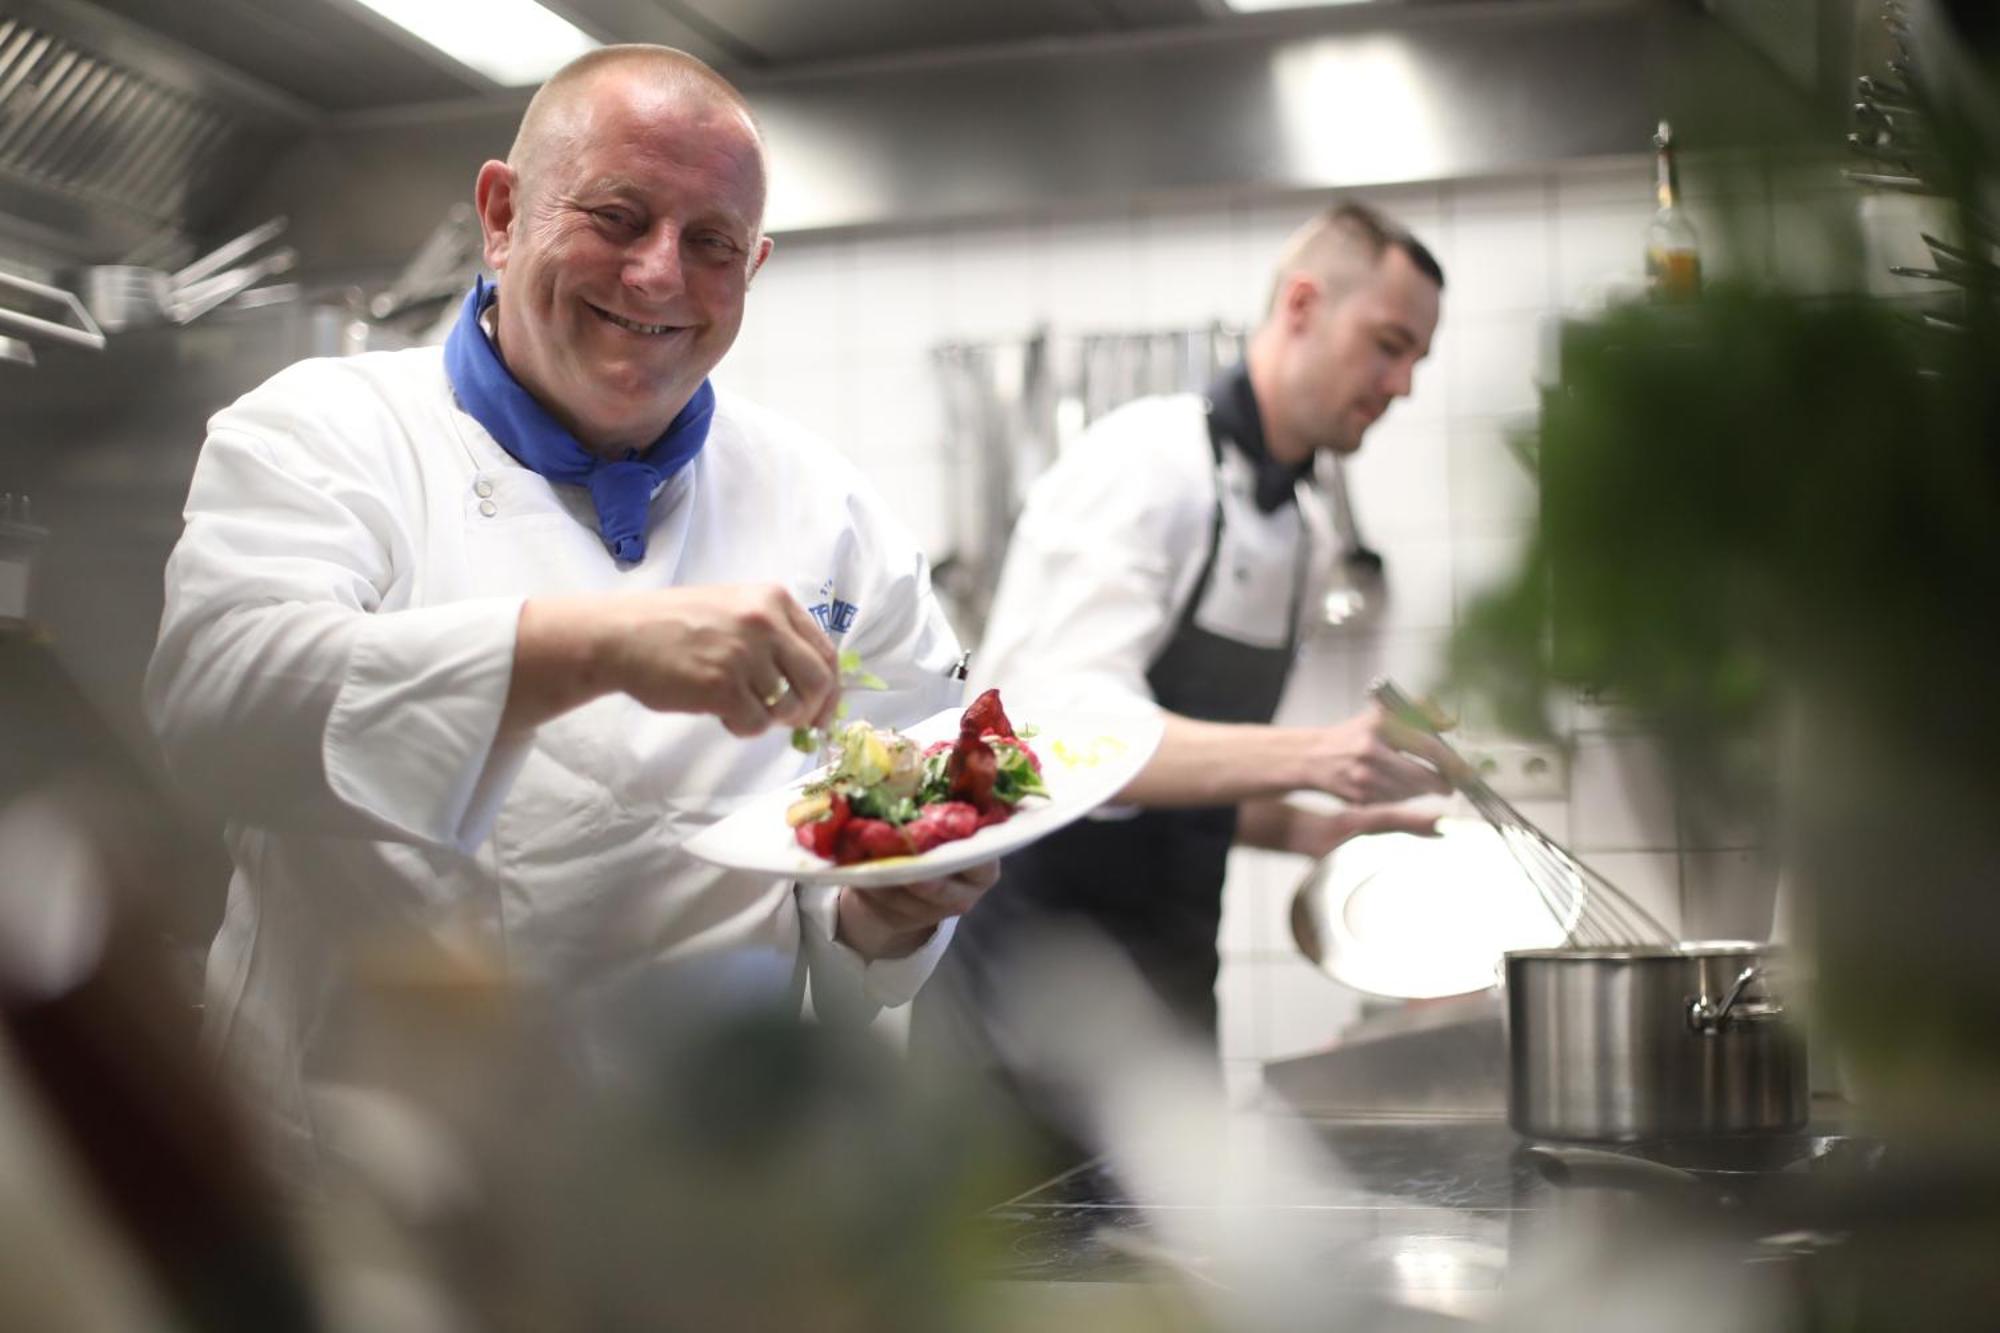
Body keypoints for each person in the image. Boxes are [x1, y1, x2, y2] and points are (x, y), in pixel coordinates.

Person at [145, 45, 994, 1169]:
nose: (658, 278)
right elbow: (216, 709)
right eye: (616, 216)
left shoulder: (828, 509)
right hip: (365, 1189)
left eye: (711, 245)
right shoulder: (321, 432)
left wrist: (889, 911)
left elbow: (891, 825)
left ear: (755, 264)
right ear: (501, 214)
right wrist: (587, 644)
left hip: (705, 1189)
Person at [909, 201, 1453, 1151]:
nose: (1401, 384)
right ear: (1302, 305)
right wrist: (1321, 752)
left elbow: (1170, 778)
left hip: (1169, 971)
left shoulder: (1309, 534)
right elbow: (1052, 732)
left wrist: (1314, 825)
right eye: (1387, 344)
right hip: (1034, 969)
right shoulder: (1147, 465)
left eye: (1416, 360)